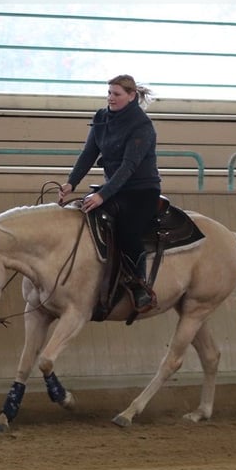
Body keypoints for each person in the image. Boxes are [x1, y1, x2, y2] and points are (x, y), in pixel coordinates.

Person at [58, 74, 161, 312]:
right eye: (109, 93)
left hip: (141, 191)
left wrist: (102, 195)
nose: (110, 98)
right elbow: (88, 154)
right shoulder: (102, 117)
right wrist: (71, 183)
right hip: (115, 187)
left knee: (128, 230)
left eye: (116, 94)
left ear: (131, 96)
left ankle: (139, 284)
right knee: (85, 217)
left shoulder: (142, 126)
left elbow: (129, 166)